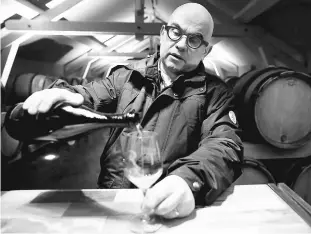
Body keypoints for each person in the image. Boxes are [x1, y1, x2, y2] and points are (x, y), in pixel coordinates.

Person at [22, 3, 243, 219]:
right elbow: (90, 96)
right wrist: (64, 93)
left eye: (194, 39)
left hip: (168, 205)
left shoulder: (216, 93)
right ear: (163, 33)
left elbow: (225, 144)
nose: (181, 44)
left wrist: (188, 179)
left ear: (206, 50)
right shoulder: (126, 77)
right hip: (114, 201)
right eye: (176, 32)